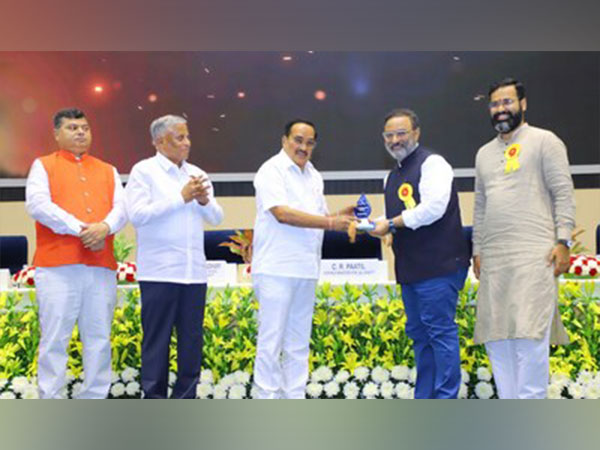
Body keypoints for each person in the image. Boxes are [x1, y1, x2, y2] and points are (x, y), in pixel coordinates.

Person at [472, 78, 575, 399]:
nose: (501, 109)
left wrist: (564, 240)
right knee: (498, 341)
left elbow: (563, 194)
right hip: (495, 262)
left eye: (507, 102)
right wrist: (477, 249)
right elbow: (480, 206)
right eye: (495, 104)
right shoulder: (484, 153)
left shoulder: (546, 141)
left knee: (530, 341)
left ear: (523, 104)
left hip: (535, 256)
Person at [26, 108, 127, 399]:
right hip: (57, 266)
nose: (81, 132)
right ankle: (52, 402)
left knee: (98, 339)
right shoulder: (43, 165)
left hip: (100, 265)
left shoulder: (107, 169)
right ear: (56, 134)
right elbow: (38, 205)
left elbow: (122, 209)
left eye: (85, 127)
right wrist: (84, 229)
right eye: (72, 128)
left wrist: (105, 227)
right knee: (55, 338)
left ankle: (94, 401)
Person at [369, 109, 470, 399]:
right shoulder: (391, 177)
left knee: (440, 335)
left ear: (416, 133)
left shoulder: (433, 164)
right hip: (411, 270)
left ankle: (445, 400)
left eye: (401, 133)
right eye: (389, 135)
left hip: (439, 267)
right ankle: (425, 399)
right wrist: (376, 225)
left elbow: (432, 209)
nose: (395, 139)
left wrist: (390, 223)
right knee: (420, 337)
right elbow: (397, 218)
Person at [251, 119, 356, 399]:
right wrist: (331, 223)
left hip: (306, 269)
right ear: (284, 140)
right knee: (271, 344)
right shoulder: (270, 171)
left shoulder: (313, 175)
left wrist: (340, 215)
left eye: (309, 143)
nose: (303, 147)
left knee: (298, 345)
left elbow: (320, 218)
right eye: (298, 140)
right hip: (276, 269)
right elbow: (283, 214)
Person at [125, 114, 223, 399]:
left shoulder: (196, 173)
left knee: (191, 343)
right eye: (179, 137)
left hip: (193, 274)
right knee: (157, 343)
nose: (187, 143)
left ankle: (185, 402)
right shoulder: (144, 172)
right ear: (159, 141)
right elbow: (138, 216)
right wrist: (180, 197)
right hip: (159, 273)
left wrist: (204, 201)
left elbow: (217, 217)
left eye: (187, 136)